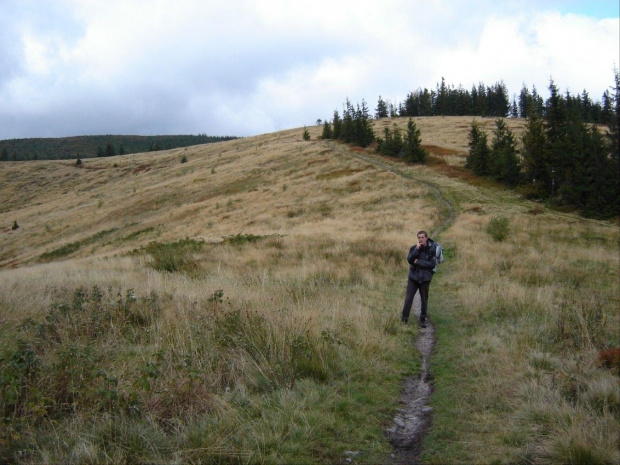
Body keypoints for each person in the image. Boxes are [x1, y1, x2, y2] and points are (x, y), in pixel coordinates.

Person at [401, 230, 437, 328]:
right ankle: (404, 318)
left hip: (425, 278)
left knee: (424, 299)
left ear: (426, 237)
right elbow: (409, 260)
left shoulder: (432, 249)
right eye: (419, 237)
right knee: (408, 298)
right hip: (413, 277)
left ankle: (422, 319)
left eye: (422, 237)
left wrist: (418, 262)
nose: (420, 239)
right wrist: (416, 250)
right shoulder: (414, 248)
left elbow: (432, 264)